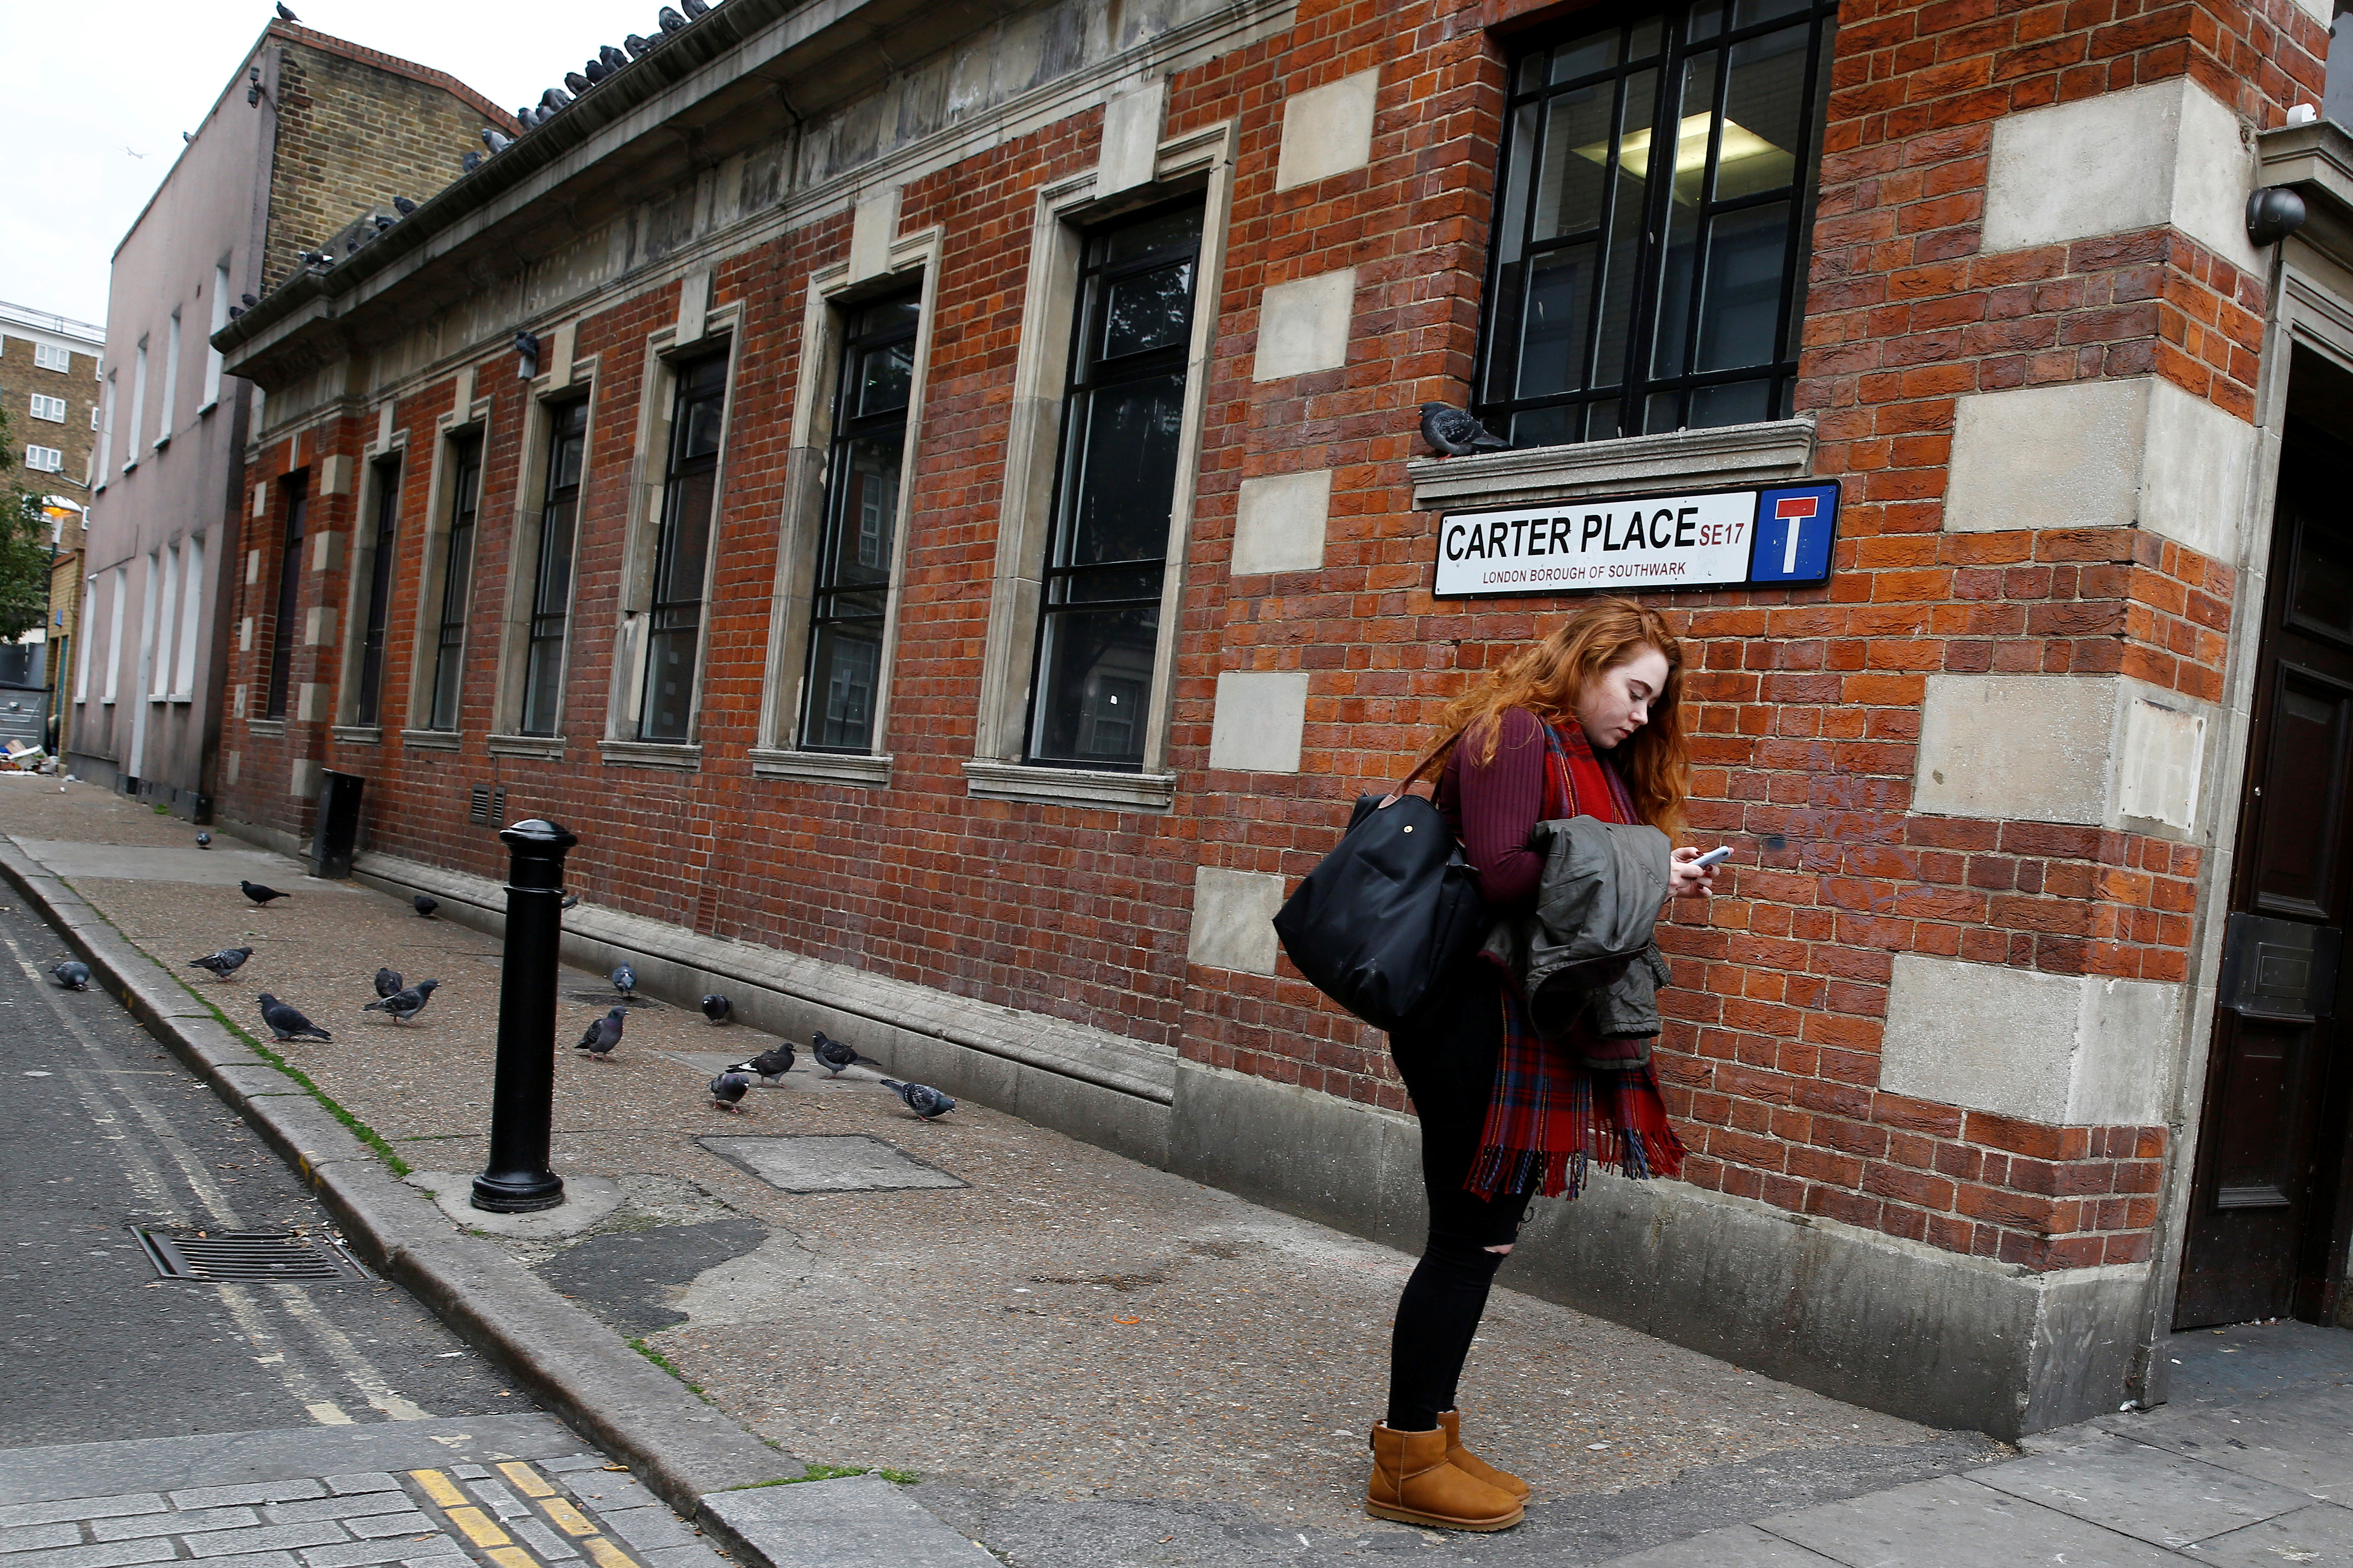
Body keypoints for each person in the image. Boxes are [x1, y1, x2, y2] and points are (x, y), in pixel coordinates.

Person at [1365, 596, 1716, 1533]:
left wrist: (1655, 870)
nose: (1642, 716)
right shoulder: (1512, 734)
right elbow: (1504, 871)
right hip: (1472, 1018)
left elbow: (1573, 879)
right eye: (1635, 691)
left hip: (1524, 1021)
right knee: (1466, 1239)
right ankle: (1403, 1460)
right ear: (1587, 663)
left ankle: (1431, 1433)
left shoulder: (1590, 762)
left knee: (1489, 1238)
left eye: (1653, 702)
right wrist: (1645, 864)